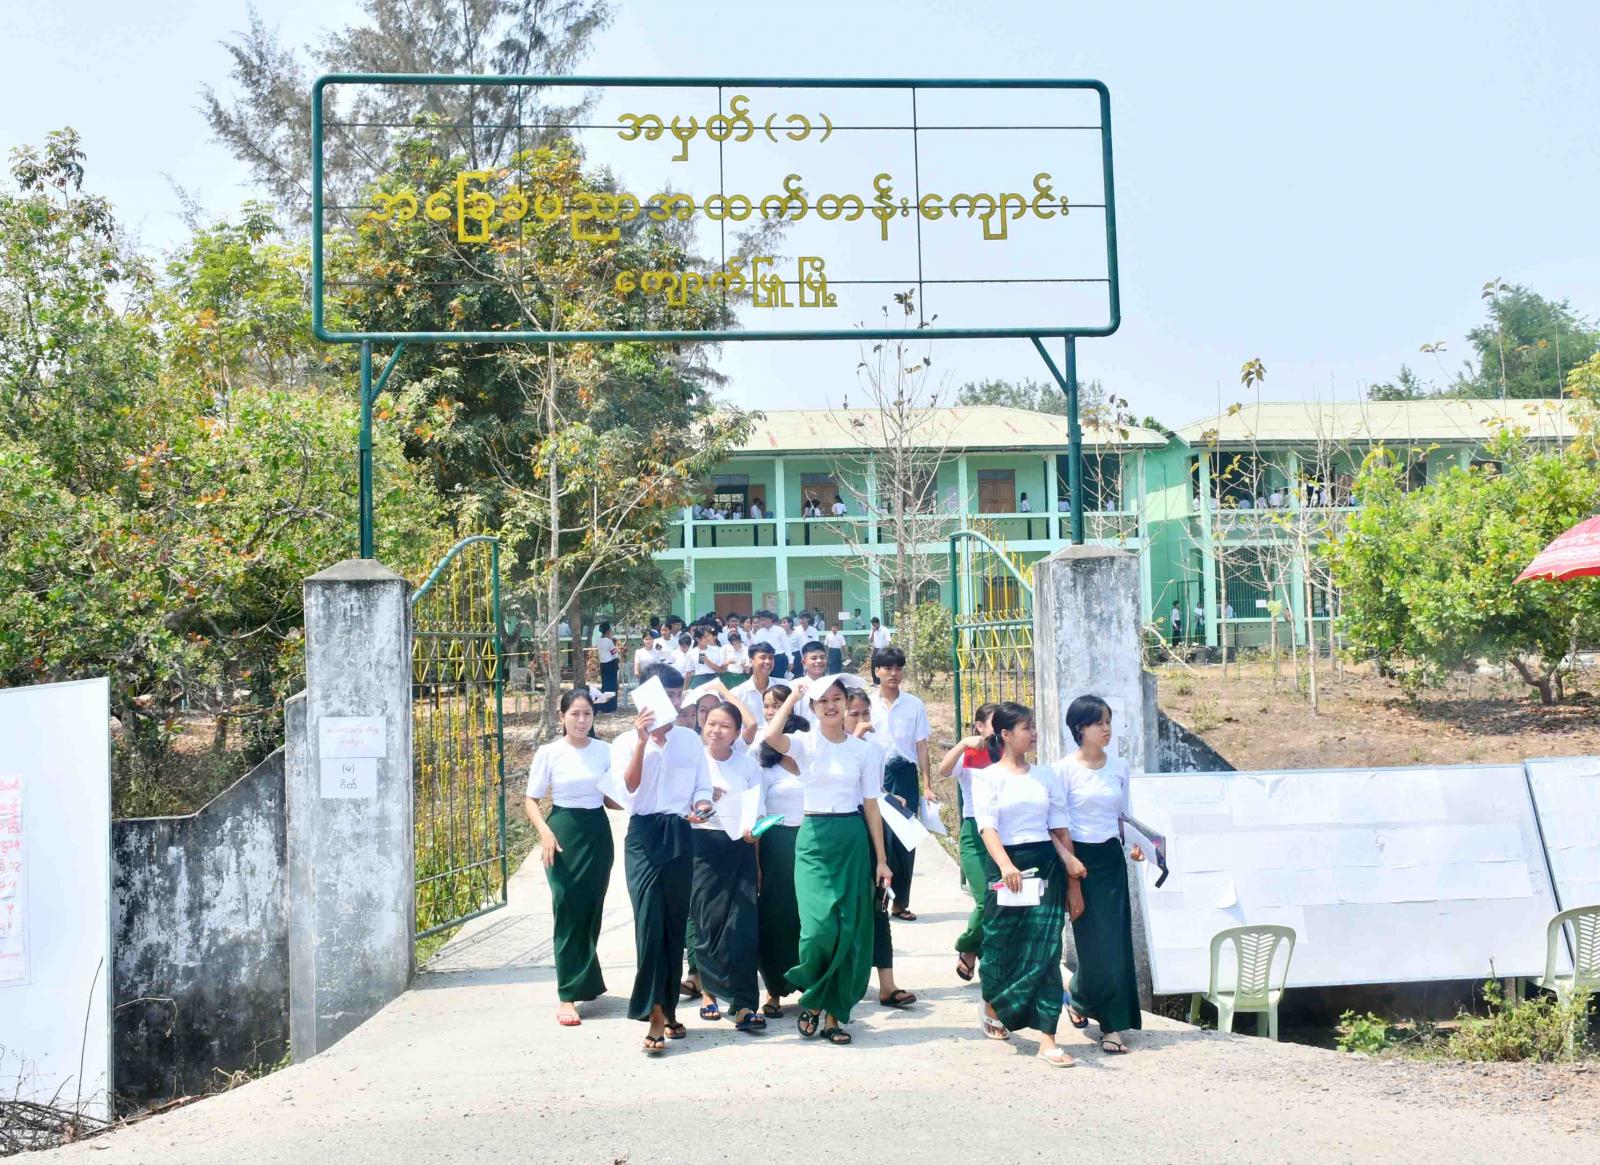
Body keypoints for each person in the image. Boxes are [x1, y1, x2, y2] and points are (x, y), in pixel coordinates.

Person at [760, 676, 893, 1045]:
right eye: (823, 701)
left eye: (837, 698)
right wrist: (793, 696)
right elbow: (771, 736)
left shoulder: (863, 751)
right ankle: (815, 997)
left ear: (846, 702)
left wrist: (881, 860)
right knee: (818, 930)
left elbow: (871, 805)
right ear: (814, 708)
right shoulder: (804, 743)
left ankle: (832, 1014)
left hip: (851, 838)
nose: (831, 706)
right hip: (814, 839)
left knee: (848, 929)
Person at [973, 702, 1086, 1067]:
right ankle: (994, 1002)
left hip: (1045, 866)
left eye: (1034, 726)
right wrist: (1005, 865)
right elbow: (987, 827)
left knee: (1046, 951)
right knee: (1000, 946)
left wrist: (1073, 883)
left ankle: (1048, 1038)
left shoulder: (1045, 776)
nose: (1033, 733)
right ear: (1005, 735)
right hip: (1006, 867)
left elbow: (1058, 828)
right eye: (1026, 728)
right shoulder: (987, 778)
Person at [611, 664, 714, 1054]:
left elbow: (702, 787)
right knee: (649, 923)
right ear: (644, 697)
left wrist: (702, 805)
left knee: (673, 924)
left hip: (680, 833)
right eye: (663, 694)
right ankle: (653, 1015)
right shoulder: (625, 742)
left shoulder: (689, 741)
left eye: (675, 694)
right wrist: (642, 742)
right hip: (643, 836)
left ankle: (667, 1010)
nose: (671, 701)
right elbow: (627, 790)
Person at [1052, 694, 1144, 1055]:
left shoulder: (1119, 767)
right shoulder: (1063, 770)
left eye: (1108, 722)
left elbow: (1124, 815)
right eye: (1099, 723)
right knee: (1093, 948)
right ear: (1080, 728)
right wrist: (1071, 874)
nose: (1106, 729)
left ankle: (1111, 1025)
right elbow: (1057, 826)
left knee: (1116, 946)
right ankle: (1081, 995)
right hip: (1079, 861)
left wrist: (1136, 845)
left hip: (1111, 860)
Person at [525, 690, 621, 1026]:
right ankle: (567, 995)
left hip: (596, 833)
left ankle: (584, 981)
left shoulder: (605, 751)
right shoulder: (549, 752)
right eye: (575, 714)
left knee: (591, 909)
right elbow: (531, 800)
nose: (581, 721)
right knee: (566, 907)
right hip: (562, 833)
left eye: (587, 714)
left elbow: (612, 799)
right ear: (562, 716)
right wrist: (545, 832)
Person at [689, 700, 766, 1032]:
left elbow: (759, 811)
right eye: (711, 723)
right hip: (702, 847)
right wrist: (705, 806)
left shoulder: (747, 765)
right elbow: (680, 806)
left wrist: (754, 835)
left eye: (724, 726)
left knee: (742, 927)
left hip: (740, 847)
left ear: (736, 733)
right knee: (707, 924)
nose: (716, 730)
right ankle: (709, 993)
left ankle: (745, 1003)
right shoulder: (694, 761)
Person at [845, 688, 917, 1011]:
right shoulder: (828, 748)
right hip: (842, 834)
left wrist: (889, 797)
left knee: (879, 904)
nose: (862, 720)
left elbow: (872, 790)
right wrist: (856, 740)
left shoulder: (873, 748)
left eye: (866, 713)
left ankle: (887, 985)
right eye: (854, 714)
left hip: (871, 831)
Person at [755, 683, 806, 1016]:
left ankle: (810, 983)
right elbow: (758, 817)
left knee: (808, 917)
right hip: (775, 846)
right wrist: (757, 863)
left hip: (810, 843)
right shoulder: (765, 768)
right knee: (775, 917)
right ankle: (773, 989)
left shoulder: (811, 764)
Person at [937, 703, 998, 983]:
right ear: (979, 726)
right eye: (994, 722)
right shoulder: (970, 754)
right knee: (985, 899)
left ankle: (983, 955)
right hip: (975, 832)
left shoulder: (1007, 752)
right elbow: (943, 770)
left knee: (1000, 901)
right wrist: (962, 744)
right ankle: (967, 945)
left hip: (1003, 833)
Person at [869, 646, 930, 921]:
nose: (894, 673)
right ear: (877, 671)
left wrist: (927, 784)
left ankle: (900, 903)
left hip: (904, 774)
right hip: (875, 774)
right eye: (887, 668)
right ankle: (877, 900)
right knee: (878, 836)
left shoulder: (914, 705)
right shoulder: (867, 705)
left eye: (898, 668)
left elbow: (922, 745)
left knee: (905, 839)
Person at [730, 642, 778, 747]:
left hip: (779, 744)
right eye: (763, 657)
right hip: (749, 748)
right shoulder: (737, 694)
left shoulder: (784, 686)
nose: (768, 661)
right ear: (751, 661)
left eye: (771, 658)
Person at [790, 641, 831, 726]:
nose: (819, 661)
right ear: (803, 663)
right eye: (814, 658)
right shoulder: (794, 685)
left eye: (822, 657)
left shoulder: (833, 684)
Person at [595, 622, 619, 713]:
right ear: (608, 630)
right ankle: (611, 706)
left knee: (605, 685)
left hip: (602, 664)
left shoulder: (599, 640)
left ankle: (603, 705)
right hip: (610, 664)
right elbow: (614, 653)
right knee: (612, 685)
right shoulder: (609, 641)